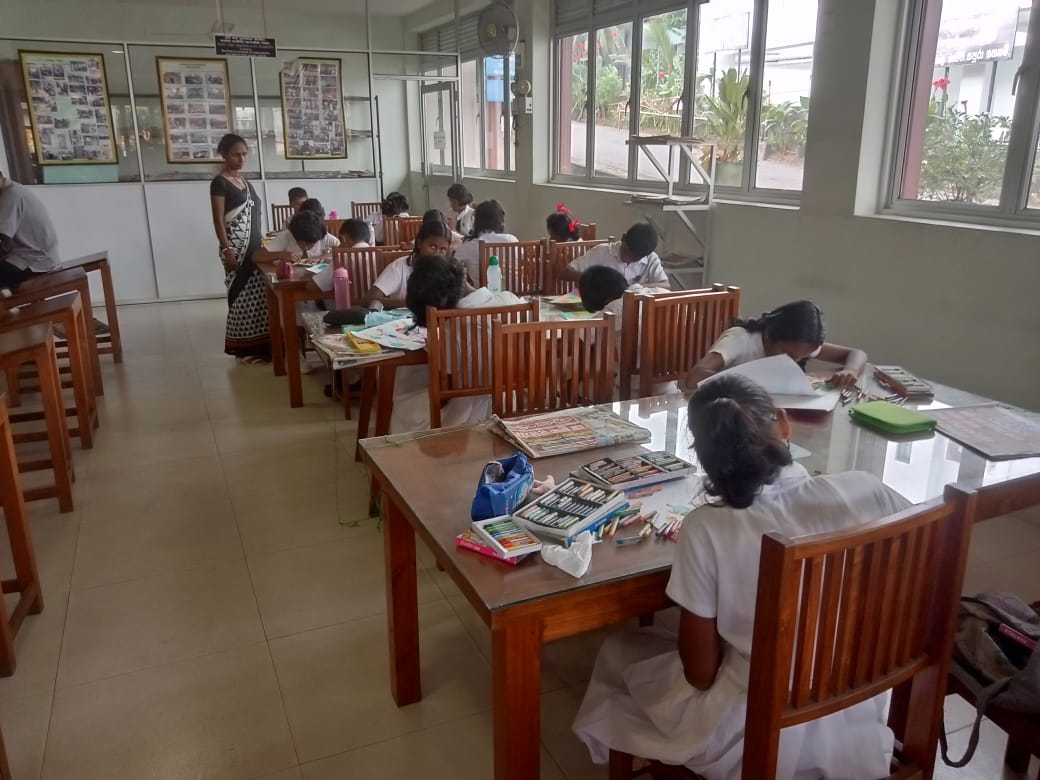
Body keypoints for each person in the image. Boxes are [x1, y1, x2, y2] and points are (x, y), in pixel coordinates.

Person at [572, 374, 910, 779]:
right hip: (858, 714)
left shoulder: (706, 528)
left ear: (704, 457)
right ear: (784, 423)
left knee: (619, 650)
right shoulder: (867, 489)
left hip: (751, 738)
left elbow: (699, 674)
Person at [389, 254, 524, 434]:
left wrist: (434, 353)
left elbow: (447, 390)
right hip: (514, 404)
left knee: (404, 396)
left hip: (467, 416)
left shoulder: (452, 324)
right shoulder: (512, 301)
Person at [685, 300, 868, 390]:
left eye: (802, 358)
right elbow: (694, 377)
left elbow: (856, 354)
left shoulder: (798, 347)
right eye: (790, 355)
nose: (795, 361)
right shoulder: (741, 339)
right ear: (770, 333)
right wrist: (747, 384)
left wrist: (850, 370)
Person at [210, 134, 268, 364]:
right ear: (224, 154)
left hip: (254, 248)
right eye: (236, 154)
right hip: (235, 249)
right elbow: (218, 219)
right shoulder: (220, 183)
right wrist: (227, 250)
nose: (241, 158)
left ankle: (261, 345)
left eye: (244, 154)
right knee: (240, 296)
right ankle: (242, 347)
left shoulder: (246, 183)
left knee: (259, 297)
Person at [364, 218, 453, 310]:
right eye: (433, 246)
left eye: (443, 250)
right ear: (419, 243)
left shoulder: (449, 271)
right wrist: (413, 304)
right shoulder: (400, 267)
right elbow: (369, 299)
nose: (437, 254)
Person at [558, 222, 669, 288]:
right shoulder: (602, 252)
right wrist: (594, 279)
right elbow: (565, 273)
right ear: (623, 238)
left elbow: (665, 285)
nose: (626, 259)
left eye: (635, 258)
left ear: (646, 254)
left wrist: (634, 289)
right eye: (626, 251)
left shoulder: (651, 259)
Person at [0, 170, 60, 290]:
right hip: (28, 255)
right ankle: (10, 307)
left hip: (35, 259)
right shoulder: (9, 191)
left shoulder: (11, 195)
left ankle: (10, 307)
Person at [453, 199, 518, 285]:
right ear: (500, 221)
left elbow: (452, 266)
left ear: (476, 221)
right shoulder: (512, 240)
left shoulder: (470, 246)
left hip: (484, 296)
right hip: (514, 296)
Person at [255, 210, 339, 265]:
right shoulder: (287, 235)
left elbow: (343, 248)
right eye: (302, 244)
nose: (305, 248)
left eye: (310, 244)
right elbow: (256, 256)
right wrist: (281, 255)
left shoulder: (321, 235)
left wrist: (324, 256)